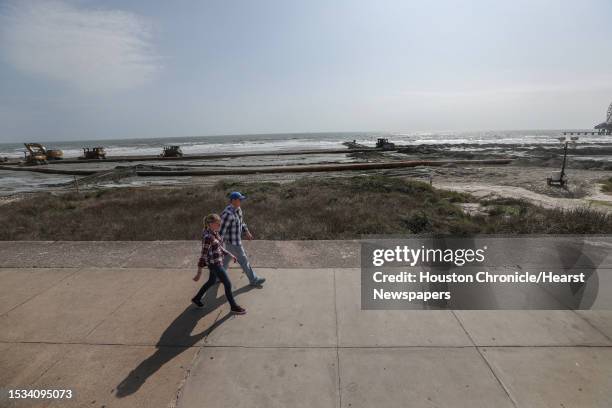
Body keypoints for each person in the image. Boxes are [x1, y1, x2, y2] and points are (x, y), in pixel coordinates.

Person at [192, 213, 246, 315]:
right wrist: (199, 273)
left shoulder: (214, 232)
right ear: (211, 224)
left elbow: (218, 247)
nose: (219, 225)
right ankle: (234, 307)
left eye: (219, 223)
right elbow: (203, 255)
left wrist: (230, 254)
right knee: (228, 284)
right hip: (215, 264)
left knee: (211, 281)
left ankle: (196, 299)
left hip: (217, 262)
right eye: (218, 224)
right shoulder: (207, 236)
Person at [220, 191, 266, 286]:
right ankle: (254, 280)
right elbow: (221, 231)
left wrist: (247, 232)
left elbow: (241, 222)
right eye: (239, 200)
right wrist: (218, 244)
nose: (241, 201)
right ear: (233, 200)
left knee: (226, 260)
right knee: (244, 261)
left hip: (235, 241)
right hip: (233, 243)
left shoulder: (238, 209)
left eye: (241, 199)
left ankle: (218, 276)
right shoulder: (227, 214)